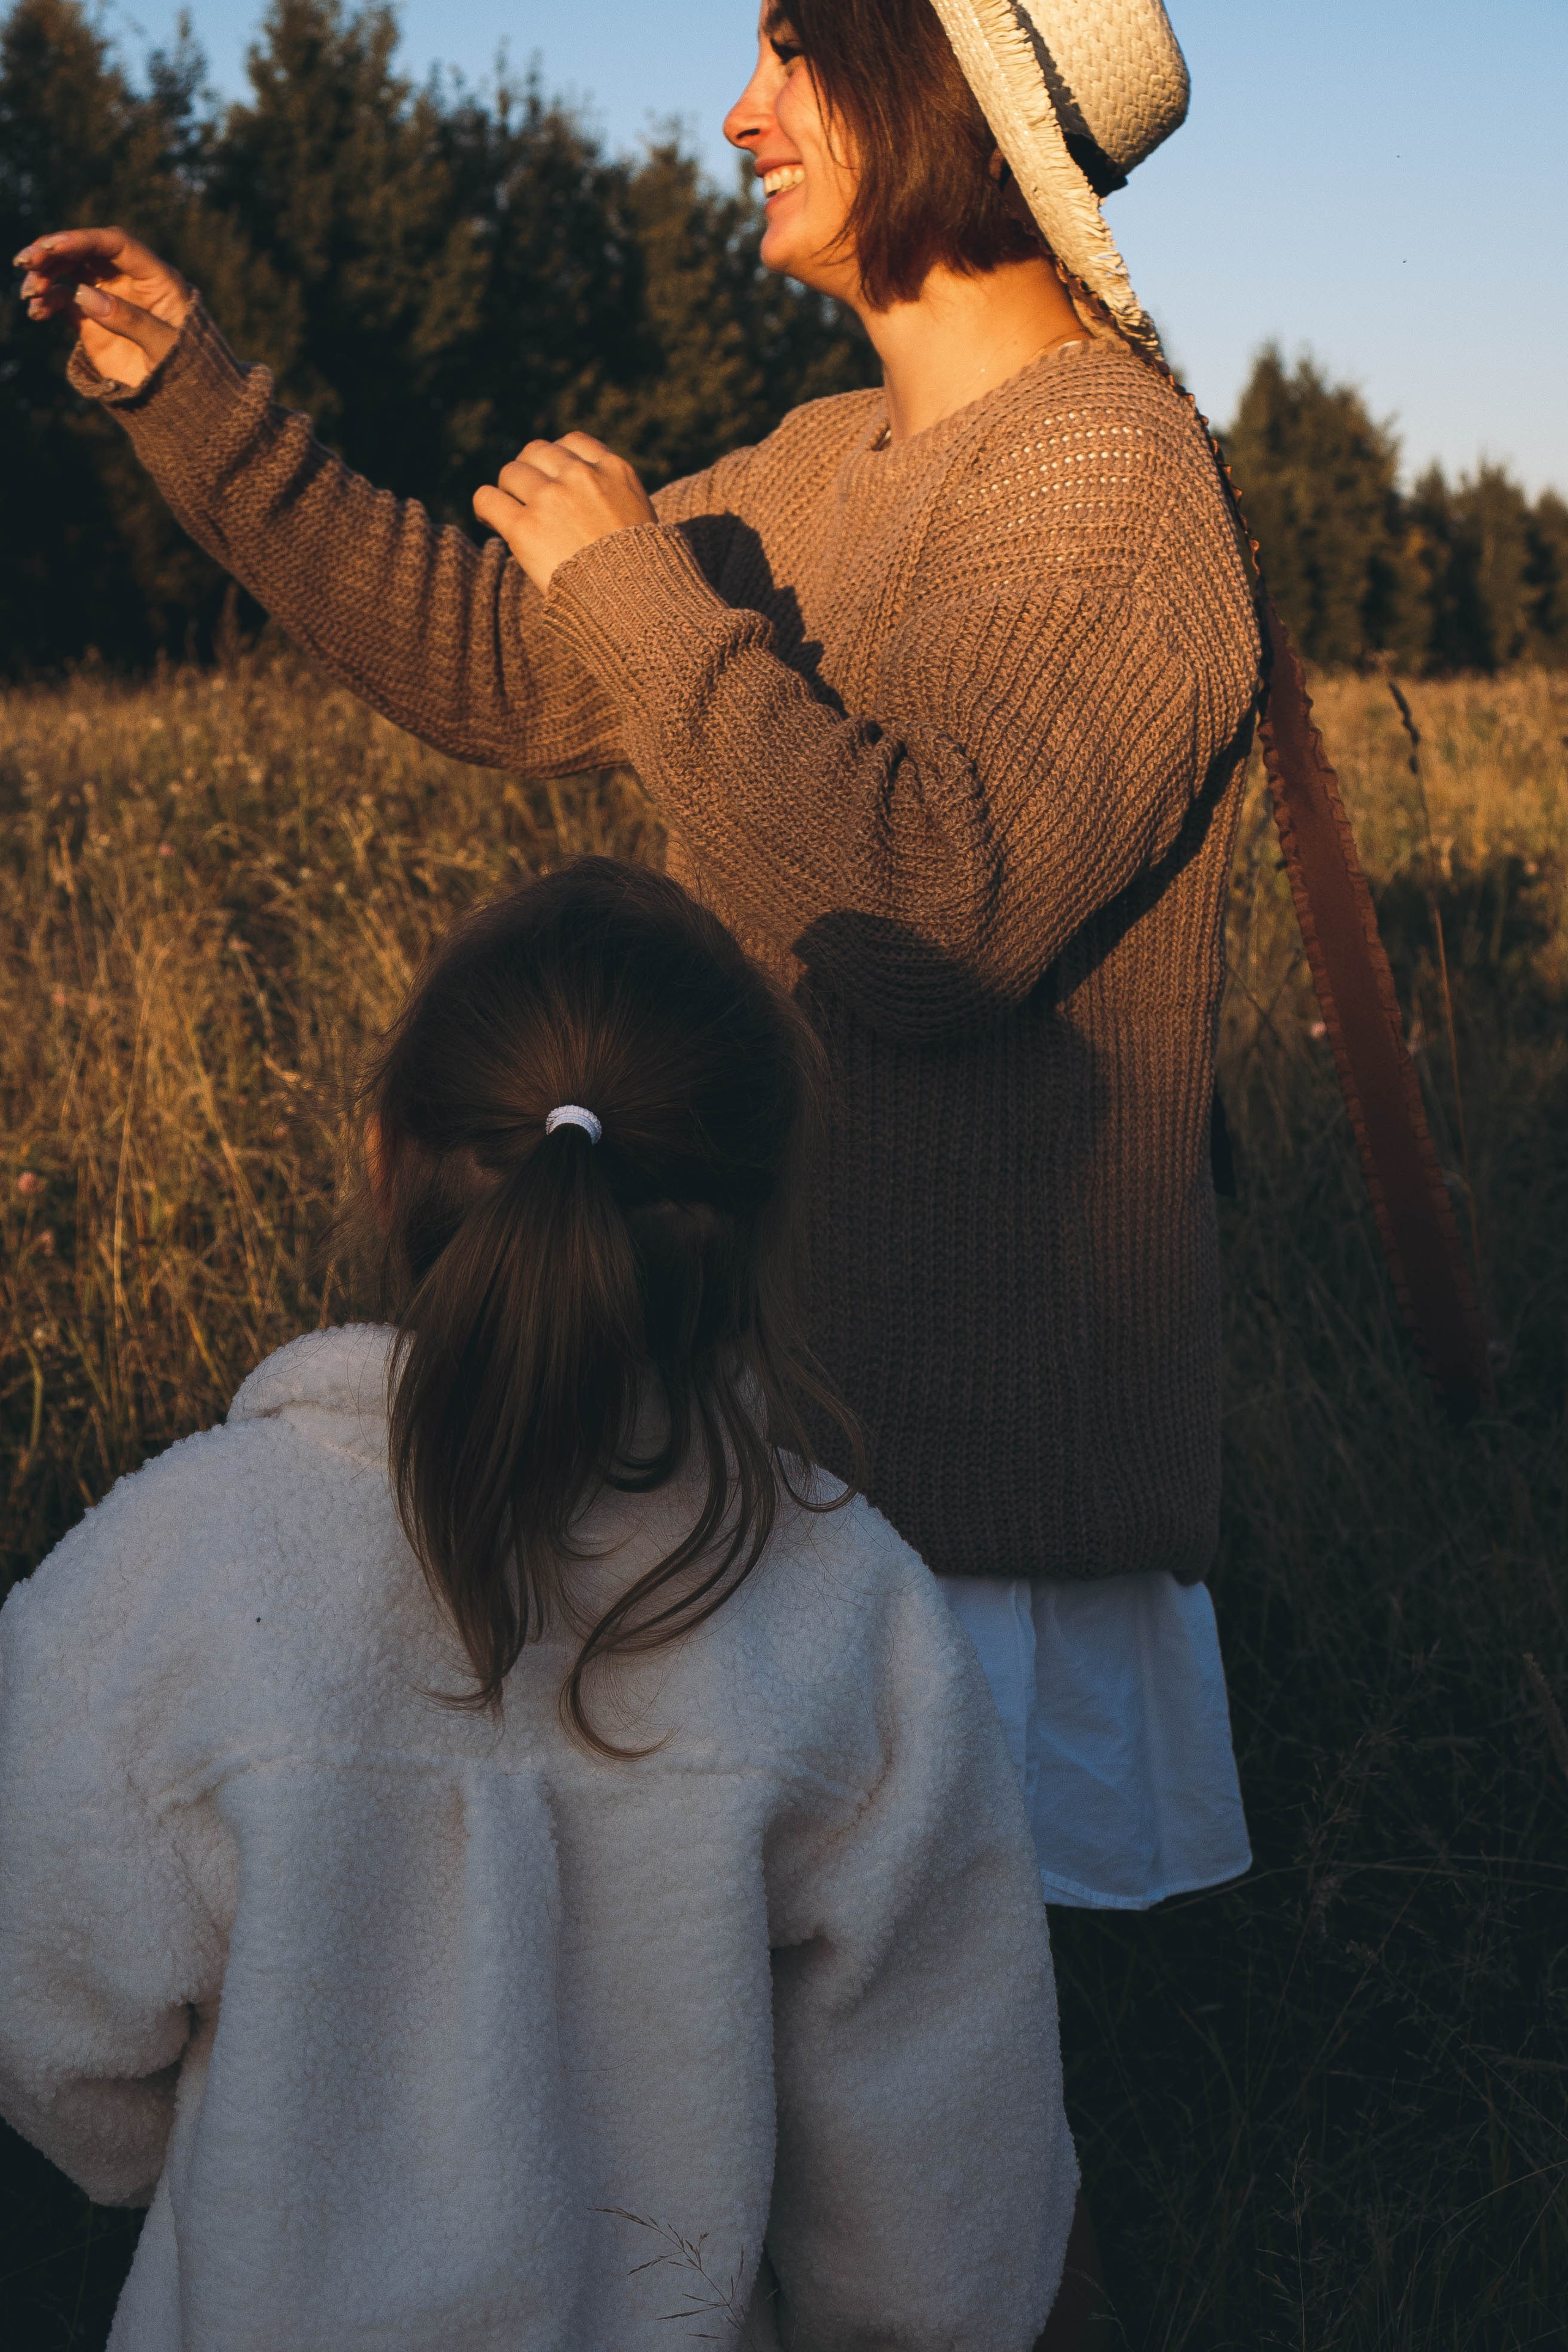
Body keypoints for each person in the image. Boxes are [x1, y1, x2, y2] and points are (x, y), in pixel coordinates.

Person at [16, 0, 1257, 1928]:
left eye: (793, 50)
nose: (742, 110)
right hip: (787, 1453)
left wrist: (639, 594)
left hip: (984, 1526)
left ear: (934, 93)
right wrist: (201, 399)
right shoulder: (826, 458)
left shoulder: (1107, 475)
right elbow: (501, 665)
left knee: (980, 2140)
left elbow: (933, 918)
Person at [0, 857, 1078, 2351]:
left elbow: (48, 2026)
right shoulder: (850, 1614)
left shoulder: (176, 1562)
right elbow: (938, 2217)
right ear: (761, 1219)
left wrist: (191, 2154)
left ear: (387, 1158)